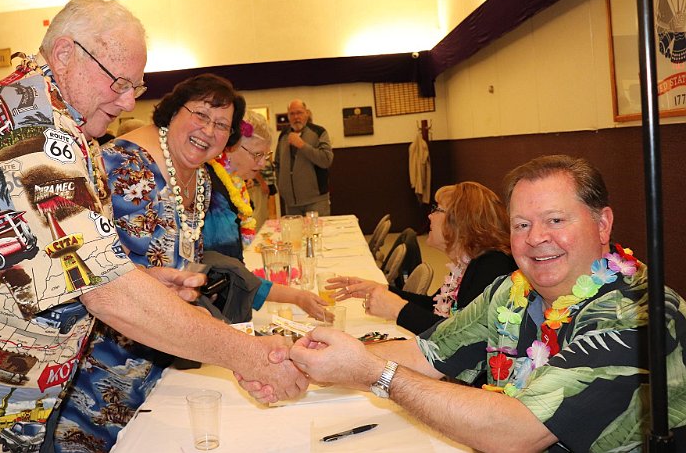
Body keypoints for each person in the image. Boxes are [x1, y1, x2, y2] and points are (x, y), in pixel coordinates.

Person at [0, 0, 305, 453]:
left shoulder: (58, 120)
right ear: (65, 53)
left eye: (135, 86)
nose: (128, 101)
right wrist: (250, 355)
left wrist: (142, 278)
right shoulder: (32, 128)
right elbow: (104, 291)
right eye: (119, 82)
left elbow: (48, 262)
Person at [250, 155, 686, 452]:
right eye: (521, 224)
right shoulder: (512, 290)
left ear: (602, 223)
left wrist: (373, 374)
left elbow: (517, 432)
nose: (537, 238)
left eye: (555, 220)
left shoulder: (639, 314)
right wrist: (304, 359)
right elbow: (426, 353)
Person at [53, 73, 246, 451]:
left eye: (222, 125)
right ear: (173, 112)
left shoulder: (201, 178)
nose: (209, 130)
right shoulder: (119, 164)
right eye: (201, 115)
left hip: (157, 355)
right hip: (95, 364)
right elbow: (68, 261)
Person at [330, 181, 516, 334]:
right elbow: (433, 307)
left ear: (460, 221)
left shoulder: (491, 267)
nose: (430, 215)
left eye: (437, 209)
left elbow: (460, 337)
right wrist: (382, 289)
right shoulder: (467, 263)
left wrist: (397, 309)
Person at [204, 110, 328, 321]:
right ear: (230, 145)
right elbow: (232, 275)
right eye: (257, 154)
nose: (262, 164)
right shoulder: (215, 196)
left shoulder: (230, 182)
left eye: (266, 156)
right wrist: (295, 296)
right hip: (216, 313)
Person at [274, 100, 333, 216]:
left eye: (299, 113)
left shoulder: (319, 132)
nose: (296, 117)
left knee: (318, 228)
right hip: (291, 203)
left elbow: (326, 160)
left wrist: (302, 145)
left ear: (306, 113)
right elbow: (278, 163)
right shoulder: (283, 135)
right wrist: (282, 187)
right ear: (288, 116)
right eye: (292, 114)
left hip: (316, 201)